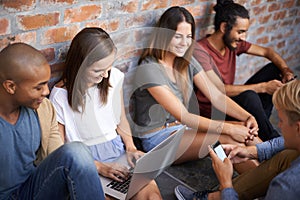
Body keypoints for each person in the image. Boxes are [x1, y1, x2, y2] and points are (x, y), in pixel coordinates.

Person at [129, 6, 261, 173]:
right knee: (224, 137)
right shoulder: (149, 69)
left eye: (189, 37)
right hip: (158, 139)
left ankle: (277, 169)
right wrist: (230, 128)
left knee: (247, 132)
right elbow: (184, 116)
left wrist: (248, 116)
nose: (184, 43)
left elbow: (217, 97)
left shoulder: (187, 59)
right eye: (178, 36)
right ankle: (265, 185)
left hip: (183, 129)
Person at [49, 27, 162, 200]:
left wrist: (131, 147)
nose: (105, 75)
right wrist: (101, 167)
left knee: (151, 195)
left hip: (118, 153)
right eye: (97, 70)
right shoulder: (60, 96)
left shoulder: (113, 77)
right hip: (87, 165)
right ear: (79, 65)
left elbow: (120, 118)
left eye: (108, 67)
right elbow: (59, 149)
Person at [0, 43, 105, 199]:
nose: (46, 92)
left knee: (77, 152)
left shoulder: (44, 109)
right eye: (38, 87)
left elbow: (59, 156)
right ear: (10, 87)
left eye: (46, 84)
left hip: (32, 190)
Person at [174, 80, 300, 200]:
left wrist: (226, 183)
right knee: (286, 155)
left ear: (298, 128)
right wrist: (251, 151)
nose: (279, 125)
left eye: (281, 121)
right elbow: (280, 143)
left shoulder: (285, 186)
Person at [193, 0, 296, 141]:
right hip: (214, 111)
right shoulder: (201, 51)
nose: (243, 38)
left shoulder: (233, 43)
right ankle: (273, 140)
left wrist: (285, 71)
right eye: (240, 32)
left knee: (274, 70)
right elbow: (218, 90)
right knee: (250, 96)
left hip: (230, 102)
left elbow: (268, 52)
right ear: (224, 27)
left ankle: (261, 127)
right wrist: (263, 87)